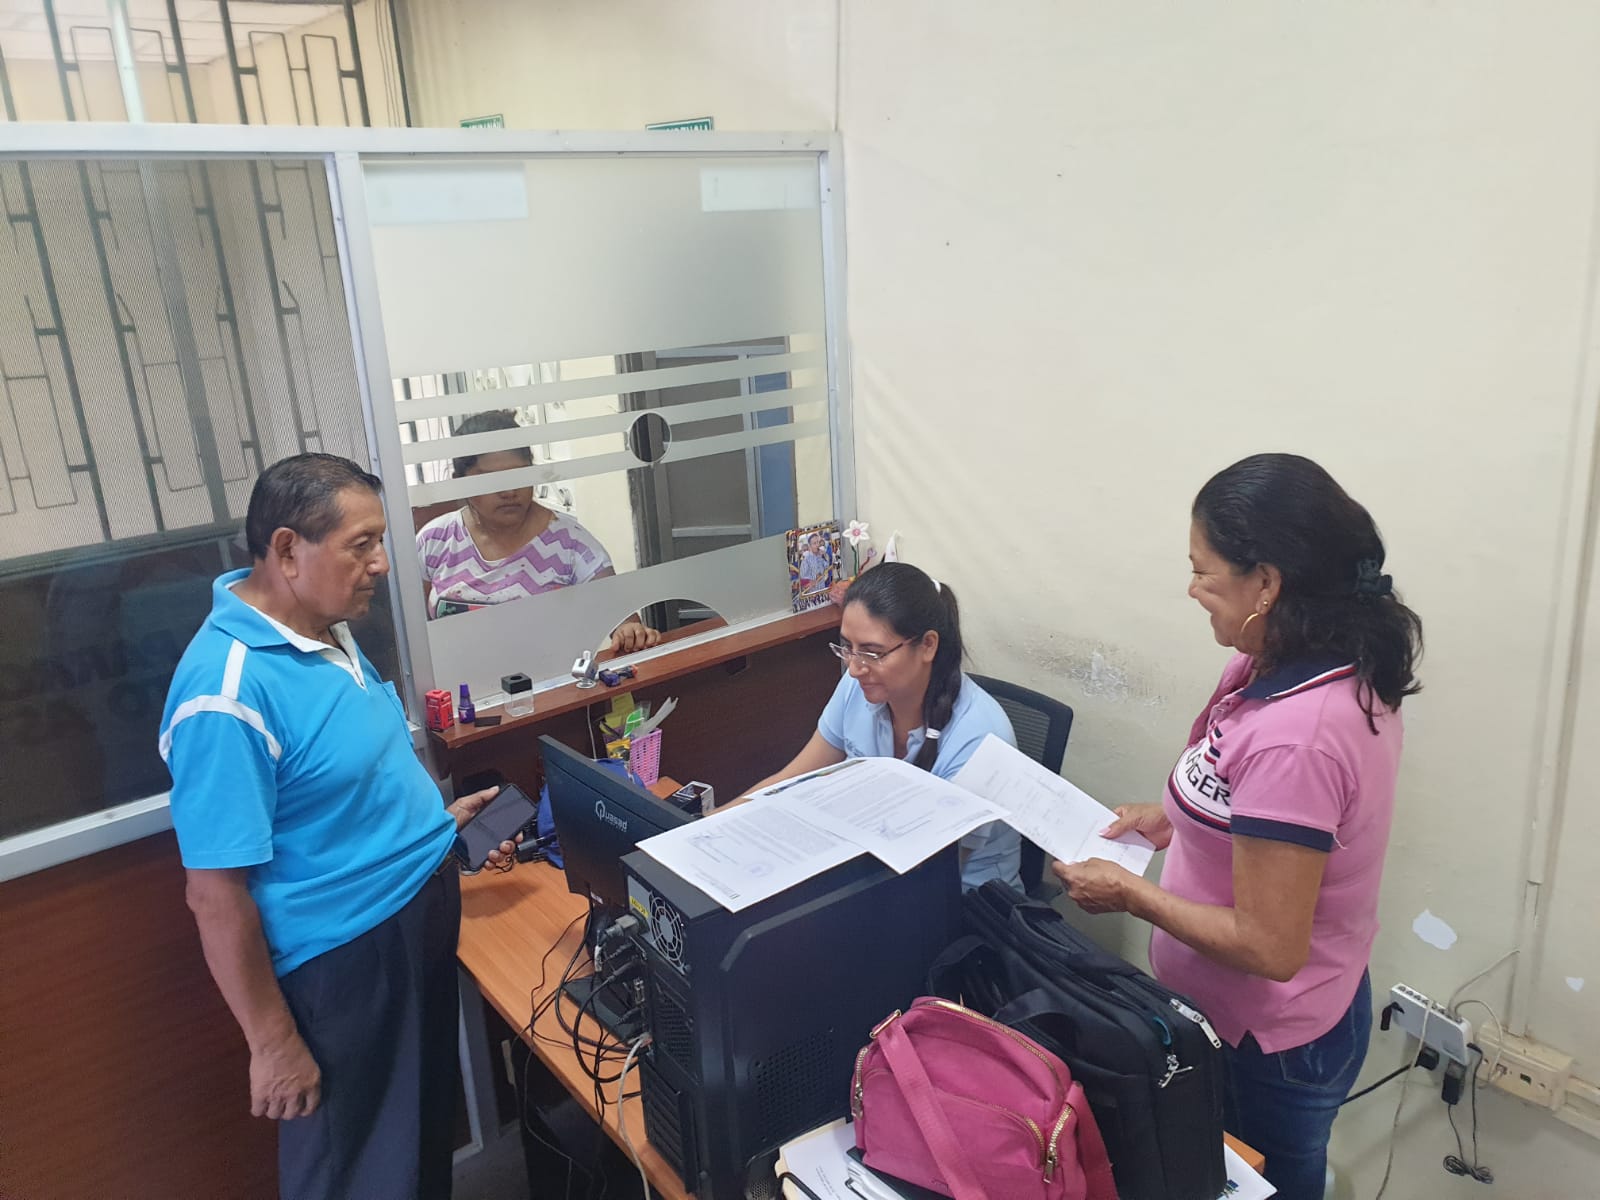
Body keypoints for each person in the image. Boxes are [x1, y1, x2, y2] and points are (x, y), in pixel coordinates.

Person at [1053, 453, 1424, 1200]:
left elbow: (1269, 946)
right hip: (1243, 1015)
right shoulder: (1279, 661)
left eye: (1204, 572)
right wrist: (1171, 819)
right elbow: (1242, 794)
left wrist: (1131, 896)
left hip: (1271, 1043)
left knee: (1264, 1183)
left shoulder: (1300, 737)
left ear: (1267, 583)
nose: (1192, 590)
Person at [159, 453, 519, 1200]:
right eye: (361, 545)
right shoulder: (225, 691)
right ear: (288, 550)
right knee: (360, 1169)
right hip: (346, 958)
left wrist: (432, 827)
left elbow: (346, 780)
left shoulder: (327, 627)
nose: (382, 564)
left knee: (417, 1141)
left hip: (414, 912)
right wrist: (273, 1043)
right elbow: (214, 895)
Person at [747, 561, 1022, 890]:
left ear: (928, 645)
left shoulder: (980, 738)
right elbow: (789, 780)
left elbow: (930, 878)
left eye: (872, 653)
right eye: (847, 647)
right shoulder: (859, 686)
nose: (854, 668)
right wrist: (709, 823)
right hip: (871, 871)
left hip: (957, 901)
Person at [415, 409, 660, 652]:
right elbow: (413, 630)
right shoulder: (434, 541)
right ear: (460, 482)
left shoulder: (570, 545)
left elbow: (622, 619)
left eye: (519, 476)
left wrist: (630, 632)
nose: (509, 492)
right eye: (491, 480)